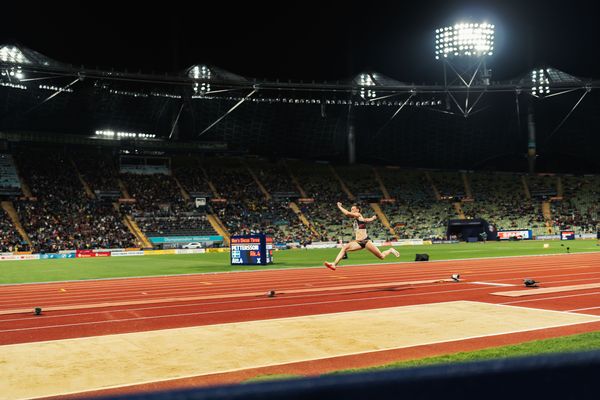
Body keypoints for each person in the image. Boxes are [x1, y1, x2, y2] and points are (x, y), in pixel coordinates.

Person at [324, 202, 399, 270]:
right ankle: (334, 264)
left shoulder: (358, 215)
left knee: (381, 257)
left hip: (365, 241)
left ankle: (390, 250)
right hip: (358, 242)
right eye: (351, 209)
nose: (351, 211)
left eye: (353, 209)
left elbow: (347, 213)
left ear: (357, 210)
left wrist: (339, 206)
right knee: (344, 248)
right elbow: (366, 220)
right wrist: (372, 218)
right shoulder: (358, 218)